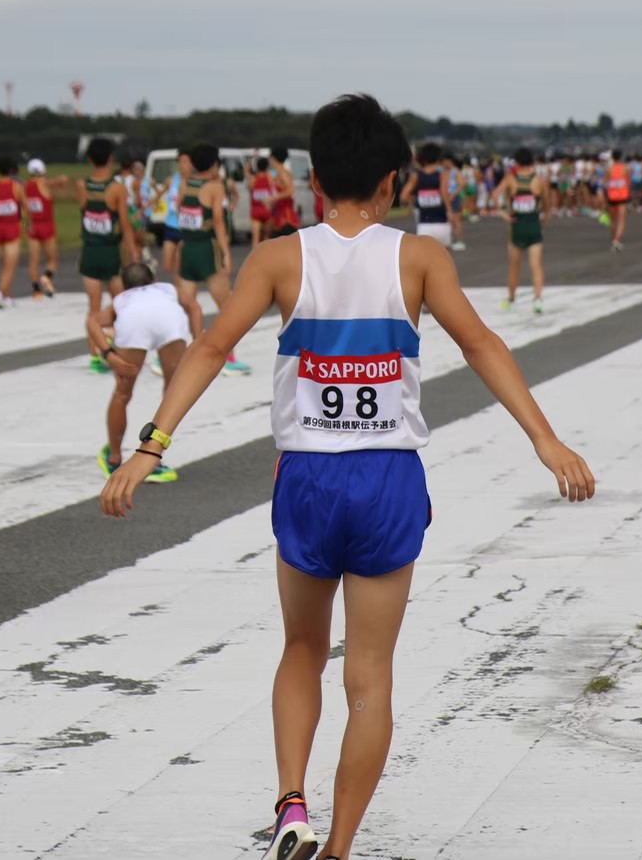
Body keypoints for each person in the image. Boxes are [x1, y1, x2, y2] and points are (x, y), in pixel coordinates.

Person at [100, 93, 593, 860]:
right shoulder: (420, 259)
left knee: (302, 649)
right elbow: (481, 344)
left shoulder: (278, 258)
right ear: (393, 182)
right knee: (369, 676)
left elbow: (208, 349)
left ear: (316, 181)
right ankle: (337, 848)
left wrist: (150, 447)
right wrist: (545, 438)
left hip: (307, 479)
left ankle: (290, 805)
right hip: (387, 481)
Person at [86, 262, 186, 483]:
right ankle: (152, 459)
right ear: (153, 281)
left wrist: (109, 355)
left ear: (124, 286)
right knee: (171, 394)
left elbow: (92, 322)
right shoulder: (166, 289)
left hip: (133, 322)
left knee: (122, 394)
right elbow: (195, 308)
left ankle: (114, 458)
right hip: (169, 321)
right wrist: (197, 340)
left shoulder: (122, 299)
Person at [176, 143, 252, 375]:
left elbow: (180, 211)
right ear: (213, 164)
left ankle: (181, 354)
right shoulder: (215, 187)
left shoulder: (185, 184)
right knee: (227, 307)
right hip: (208, 249)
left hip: (188, 247)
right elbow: (218, 220)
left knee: (186, 307)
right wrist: (226, 253)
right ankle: (229, 358)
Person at [76, 137, 139, 373]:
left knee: (93, 308)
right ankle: (118, 347)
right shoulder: (117, 189)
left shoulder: (82, 185)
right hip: (111, 252)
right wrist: (134, 254)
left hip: (90, 251)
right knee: (121, 305)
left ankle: (95, 356)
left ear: (90, 159)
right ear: (111, 158)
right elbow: (124, 224)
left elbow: (85, 211)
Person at [493, 147, 547, 313]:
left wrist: (503, 213)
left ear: (516, 162)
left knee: (514, 266)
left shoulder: (511, 178)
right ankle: (537, 300)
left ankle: (511, 300)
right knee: (536, 265)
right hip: (534, 226)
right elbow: (547, 203)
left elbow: (495, 195)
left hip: (516, 228)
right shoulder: (539, 180)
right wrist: (544, 219)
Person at [0, 157, 28, 309]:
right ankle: (0, 292)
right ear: (12, 170)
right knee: (11, 265)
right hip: (12, 227)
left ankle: (7, 295)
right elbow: (27, 207)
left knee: (4, 264)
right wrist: (29, 224)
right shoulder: (17, 187)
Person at [25, 159, 69, 299]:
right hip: (46, 225)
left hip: (32, 226)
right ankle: (47, 277)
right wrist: (60, 181)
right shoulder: (44, 183)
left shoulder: (26, 186)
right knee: (52, 259)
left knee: (34, 260)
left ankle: (36, 290)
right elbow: (62, 179)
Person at [399, 142, 452, 247]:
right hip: (441, 221)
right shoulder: (442, 174)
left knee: (425, 254)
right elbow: (444, 193)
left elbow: (403, 197)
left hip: (424, 224)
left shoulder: (416, 176)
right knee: (443, 254)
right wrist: (450, 210)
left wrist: (415, 200)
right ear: (438, 158)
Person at [604, 154, 630, 251]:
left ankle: (614, 240)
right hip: (622, 196)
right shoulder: (625, 168)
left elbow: (605, 184)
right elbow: (628, 183)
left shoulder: (609, 169)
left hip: (612, 197)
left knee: (613, 220)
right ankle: (617, 240)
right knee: (621, 219)